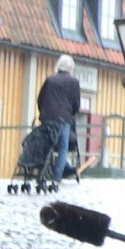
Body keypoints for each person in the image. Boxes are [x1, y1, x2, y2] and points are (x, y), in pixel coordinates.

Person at [36, 56, 81, 185]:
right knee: (62, 147)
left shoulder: (50, 80)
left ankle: (43, 173)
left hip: (47, 118)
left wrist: (44, 112)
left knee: (47, 145)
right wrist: (71, 114)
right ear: (70, 68)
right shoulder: (74, 82)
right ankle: (57, 177)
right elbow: (76, 104)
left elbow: (40, 99)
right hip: (63, 119)